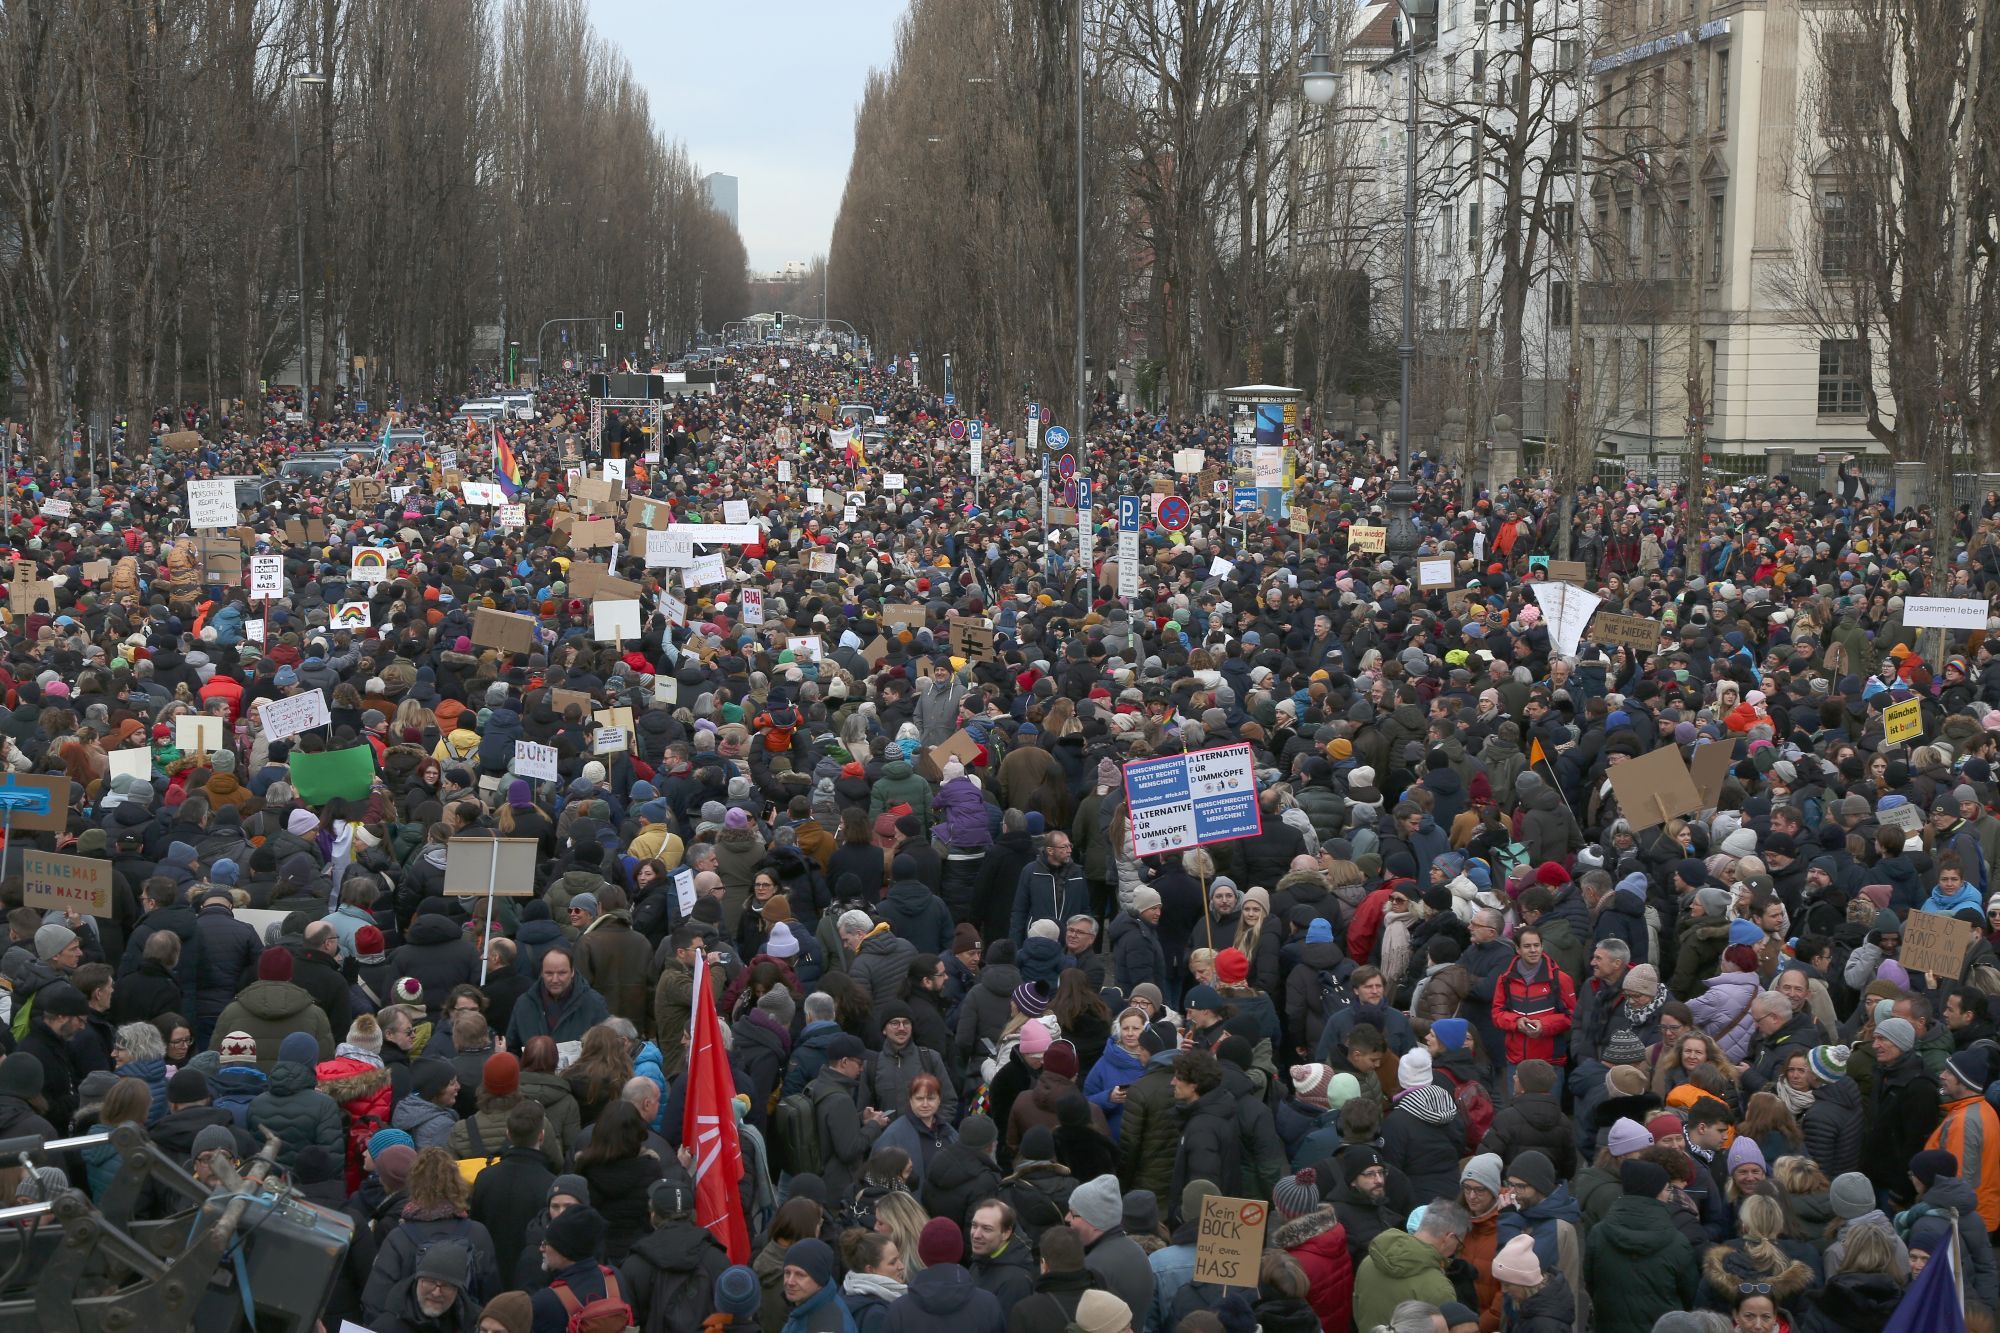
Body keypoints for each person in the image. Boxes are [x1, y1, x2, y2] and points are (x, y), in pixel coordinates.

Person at [1582, 1160, 1698, 1333]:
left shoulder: (1598, 1234)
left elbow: (1591, 1284)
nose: (1670, 1195)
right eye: (1667, 1189)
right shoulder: (1677, 1242)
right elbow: (1689, 1295)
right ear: (1655, 1192)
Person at [621, 1174, 732, 1333]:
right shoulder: (717, 1260)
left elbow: (630, 1322)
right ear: (693, 1214)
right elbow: (730, 1316)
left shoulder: (634, 1264)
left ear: (653, 1215)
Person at [1350, 1201, 1465, 1333]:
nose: (1456, 1250)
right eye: (1459, 1245)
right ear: (1449, 1237)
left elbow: (1357, 1311)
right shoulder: (1439, 1288)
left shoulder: (1369, 1262)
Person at [506, 946, 611, 1049]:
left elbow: (605, 1049)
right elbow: (512, 1048)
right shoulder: (524, 1004)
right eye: (549, 973)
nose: (555, 980)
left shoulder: (594, 1003)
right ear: (541, 973)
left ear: (572, 972)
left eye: (562, 973)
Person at [780, 1238, 854, 1333]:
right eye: (787, 1272)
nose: (790, 1282)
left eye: (800, 1275)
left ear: (820, 1278)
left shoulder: (827, 1327)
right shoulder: (808, 1305)